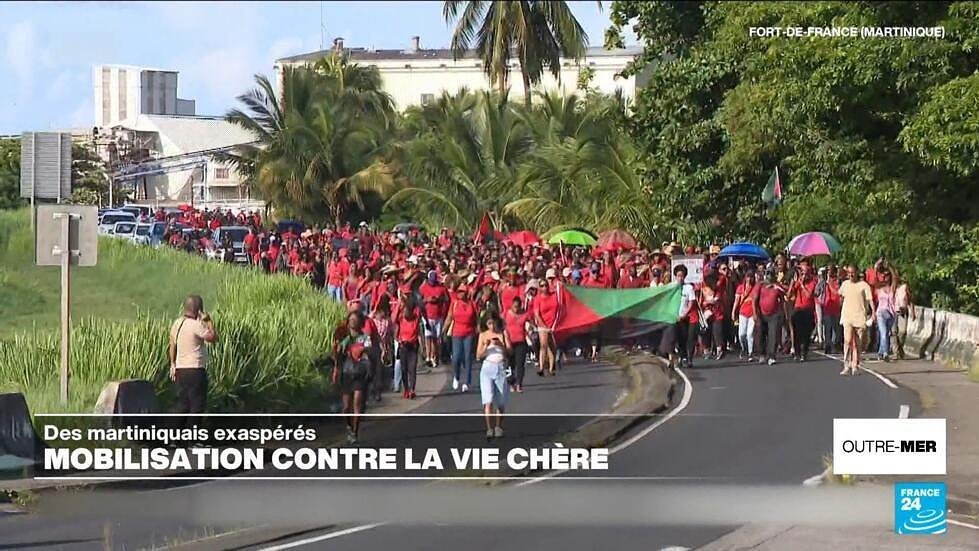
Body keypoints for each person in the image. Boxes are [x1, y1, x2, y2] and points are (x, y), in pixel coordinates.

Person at [168, 295, 217, 420]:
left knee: (183, 406)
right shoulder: (196, 325)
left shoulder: (177, 323)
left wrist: (173, 364)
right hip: (195, 370)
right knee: (197, 407)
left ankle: (177, 438)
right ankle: (192, 438)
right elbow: (213, 338)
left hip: (180, 370)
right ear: (199, 310)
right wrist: (209, 321)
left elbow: (172, 345)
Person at [333, 310, 372, 443]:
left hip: (360, 374)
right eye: (350, 320)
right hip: (346, 373)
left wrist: (362, 352)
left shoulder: (365, 338)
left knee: (357, 404)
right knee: (345, 407)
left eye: (355, 320)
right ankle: (349, 427)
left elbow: (368, 352)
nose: (352, 323)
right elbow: (337, 356)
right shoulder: (345, 337)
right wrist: (337, 350)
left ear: (360, 323)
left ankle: (355, 432)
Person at [477, 315, 511, 440]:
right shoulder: (483, 335)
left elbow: (509, 352)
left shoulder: (503, 333)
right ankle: (489, 428)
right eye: (489, 323)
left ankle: (498, 427)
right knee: (488, 400)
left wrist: (500, 344)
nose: (492, 326)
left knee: (501, 401)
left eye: (493, 323)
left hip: (500, 367)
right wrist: (486, 346)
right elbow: (478, 355)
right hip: (487, 367)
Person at [839, 265, 875, 375]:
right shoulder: (845, 284)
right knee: (847, 341)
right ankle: (846, 365)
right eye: (849, 273)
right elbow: (840, 296)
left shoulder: (864, 285)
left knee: (858, 343)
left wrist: (874, 312)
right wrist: (841, 305)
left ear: (857, 272)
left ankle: (855, 365)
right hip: (847, 317)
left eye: (853, 273)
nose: (851, 275)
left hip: (859, 317)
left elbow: (870, 299)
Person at [444, 284, 477, 392]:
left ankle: (467, 381)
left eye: (462, 291)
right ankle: (456, 376)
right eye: (458, 292)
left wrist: (478, 332)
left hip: (469, 333)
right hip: (457, 333)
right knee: (456, 357)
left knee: (467, 358)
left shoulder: (472, 304)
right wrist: (443, 330)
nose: (460, 294)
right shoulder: (454, 303)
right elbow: (449, 317)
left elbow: (476, 319)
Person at [787, 259, 817, 362]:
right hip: (798, 308)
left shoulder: (812, 281)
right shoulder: (797, 281)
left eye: (805, 272)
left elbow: (809, 295)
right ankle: (797, 352)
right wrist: (793, 282)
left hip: (808, 309)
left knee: (806, 333)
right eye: (802, 272)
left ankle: (804, 352)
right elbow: (789, 295)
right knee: (796, 331)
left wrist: (802, 284)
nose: (803, 274)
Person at [754, 270, 787, 366]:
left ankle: (772, 356)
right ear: (765, 275)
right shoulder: (760, 285)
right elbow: (754, 299)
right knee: (760, 333)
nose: (769, 276)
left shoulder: (776, 286)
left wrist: (782, 313)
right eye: (768, 273)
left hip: (774, 314)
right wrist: (755, 313)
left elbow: (783, 299)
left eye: (771, 274)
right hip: (761, 313)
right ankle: (761, 354)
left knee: (773, 335)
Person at [419, 270, 449, 368]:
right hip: (427, 316)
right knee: (428, 336)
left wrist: (437, 299)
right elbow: (419, 301)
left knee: (436, 338)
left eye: (434, 280)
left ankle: (434, 356)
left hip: (438, 316)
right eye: (431, 280)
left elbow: (447, 299)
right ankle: (428, 356)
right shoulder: (423, 288)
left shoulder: (441, 288)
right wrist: (427, 300)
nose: (432, 282)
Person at [534, 274, 561, 376]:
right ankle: (541, 368)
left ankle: (551, 367)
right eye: (542, 286)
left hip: (554, 324)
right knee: (543, 345)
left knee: (552, 346)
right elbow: (537, 314)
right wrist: (544, 326)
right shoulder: (538, 299)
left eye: (545, 285)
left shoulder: (554, 296)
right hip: (543, 325)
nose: (544, 287)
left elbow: (560, 303)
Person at [395, 296, 421, 399]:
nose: (405, 313)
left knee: (412, 369)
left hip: (413, 347)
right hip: (403, 346)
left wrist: (408, 299)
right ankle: (405, 389)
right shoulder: (401, 319)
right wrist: (399, 305)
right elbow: (394, 319)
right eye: (404, 311)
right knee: (404, 369)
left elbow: (419, 307)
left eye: (407, 311)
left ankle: (412, 390)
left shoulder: (416, 318)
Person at [504, 296, 531, 392]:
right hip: (509, 342)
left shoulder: (525, 314)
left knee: (520, 364)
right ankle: (511, 383)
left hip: (521, 342)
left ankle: (519, 384)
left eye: (517, 307)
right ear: (512, 305)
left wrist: (530, 329)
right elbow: (502, 326)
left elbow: (530, 324)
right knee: (510, 364)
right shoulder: (507, 313)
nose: (516, 308)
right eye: (514, 306)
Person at [732, 270, 759, 362]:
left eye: (751, 277)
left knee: (750, 333)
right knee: (741, 335)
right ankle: (744, 348)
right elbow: (736, 300)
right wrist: (733, 312)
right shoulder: (740, 288)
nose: (749, 279)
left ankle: (751, 352)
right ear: (745, 277)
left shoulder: (755, 287)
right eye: (748, 276)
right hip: (742, 313)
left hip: (752, 313)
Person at [874, 270, 897, 362]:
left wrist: (890, 267)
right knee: (883, 333)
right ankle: (886, 353)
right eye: (884, 276)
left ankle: (880, 352)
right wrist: (877, 266)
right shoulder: (879, 288)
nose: (886, 278)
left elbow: (896, 278)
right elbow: (875, 278)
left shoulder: (892, 288)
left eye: (887, 276)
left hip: (891, 314)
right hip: (881, 313)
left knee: (886, 333)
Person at [893, 271, 916, 359]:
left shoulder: (905, 286)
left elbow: (910, 300)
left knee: (902, 332)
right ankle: (896, 352)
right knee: (893, 333)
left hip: (903, 311)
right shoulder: (892, 287)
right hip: (893, 311)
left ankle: (900, 348)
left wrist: (913, 312)